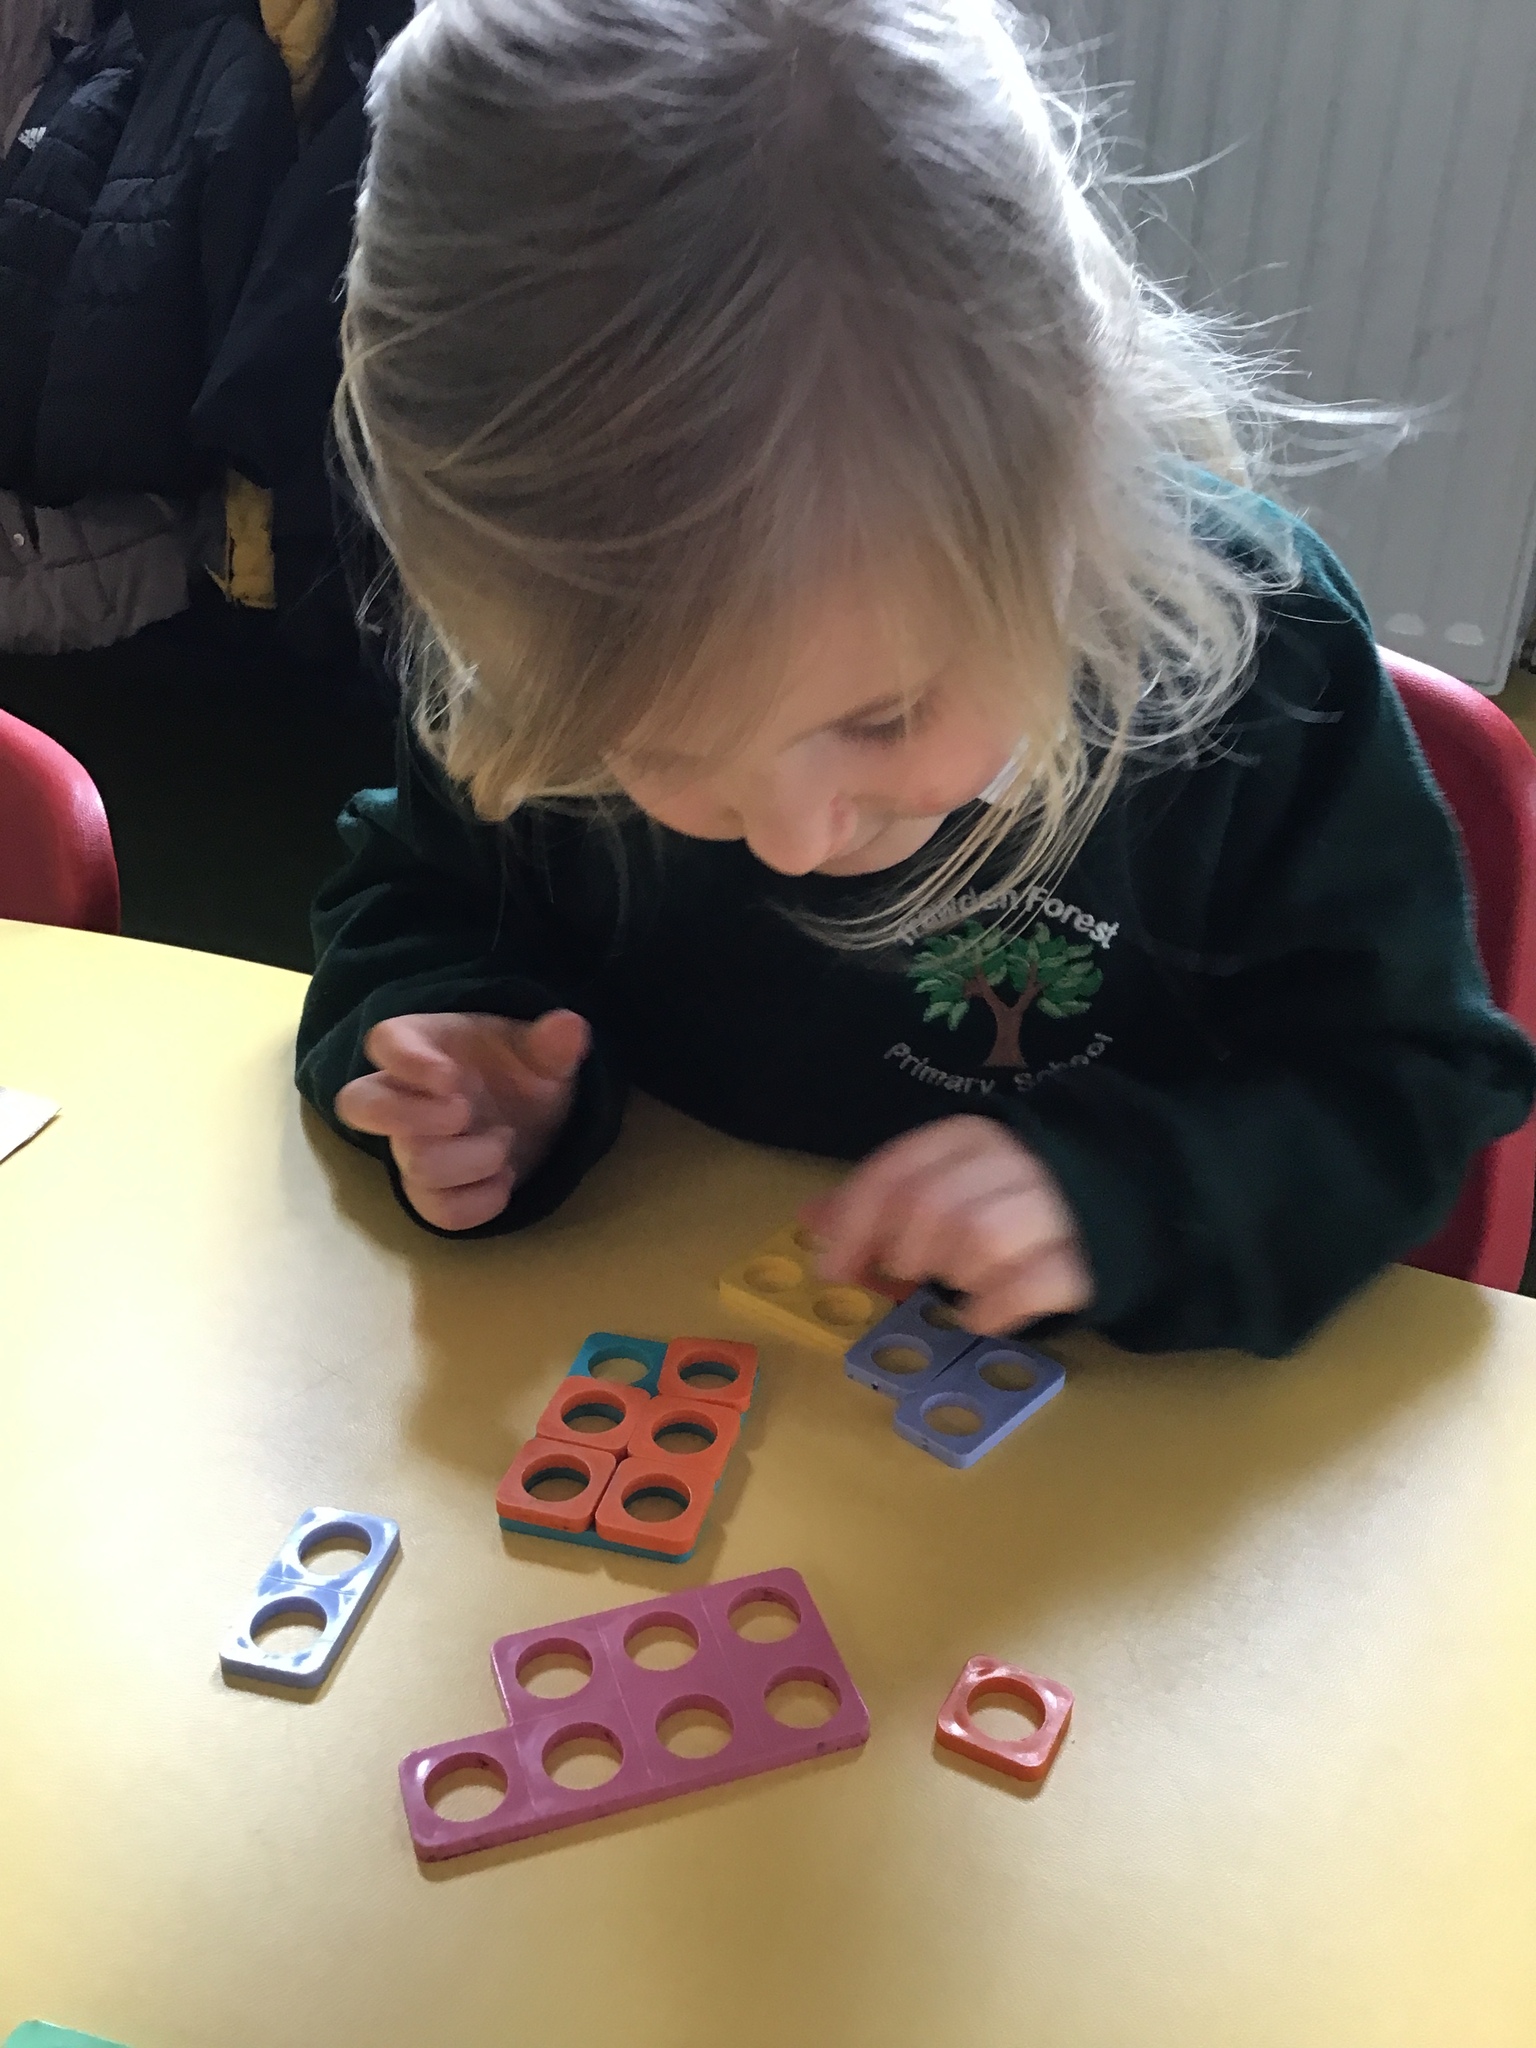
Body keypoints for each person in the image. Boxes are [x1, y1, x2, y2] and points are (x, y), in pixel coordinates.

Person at [296, 0, 1536, 1356]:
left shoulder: (1258, 664)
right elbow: (422, 899)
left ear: (1066, 489)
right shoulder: (553, 643)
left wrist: (1128, 1199)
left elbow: (1409, 1086)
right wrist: (467, 1054)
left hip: (1121, 1431)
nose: (791, 837)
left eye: (885, 719)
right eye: (659, 751)